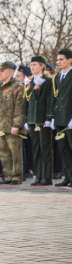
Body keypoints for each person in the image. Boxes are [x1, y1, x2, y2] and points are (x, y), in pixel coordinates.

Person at [0, 62, 26, 184]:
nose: (0, 73)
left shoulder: (18, 86)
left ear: (11, 72)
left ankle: (17, 177)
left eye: (3, 71)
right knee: (4, 154)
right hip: (0, 126)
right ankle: (8, 176)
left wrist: (16, 125)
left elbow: (20, 108)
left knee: (15, 153)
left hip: (12, 127)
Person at [24, 56, 53, 186]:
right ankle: (39, 176)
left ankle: (47, 176)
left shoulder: (48, 81)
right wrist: (26, 119)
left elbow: (50, 100)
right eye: (31, 65)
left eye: (34, 65)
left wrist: (49, 118)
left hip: (42, 119)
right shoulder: (29, 81)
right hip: (32, 119)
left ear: (42, 66)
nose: (32, 67)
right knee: (36, 149)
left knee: (45, 148)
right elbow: (27, 101)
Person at [49, 49, 72, 187]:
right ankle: (68, 177)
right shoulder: (57, 77)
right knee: (63, 150)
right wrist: (52, 117)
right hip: (60, 118)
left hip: (69, 118)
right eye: (57, 60)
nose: (59, 62)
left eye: (61, 59)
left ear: (70, 60)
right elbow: (54, 97)